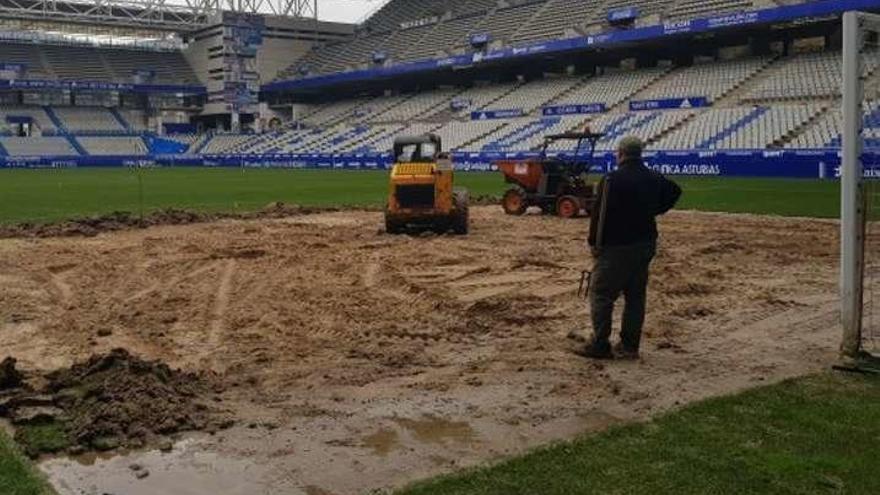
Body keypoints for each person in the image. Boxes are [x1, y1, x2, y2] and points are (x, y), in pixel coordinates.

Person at [576, 136, 681, 360]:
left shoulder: (611, 179)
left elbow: (599, 217)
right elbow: (674, 191)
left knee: (601, 293)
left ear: (620, 153)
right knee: (635, 296)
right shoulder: (652, 176)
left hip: (616, 246)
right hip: (645, 243)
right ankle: (630, 346)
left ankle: (600, 344)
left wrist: (594, 243)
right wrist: (655, 209)